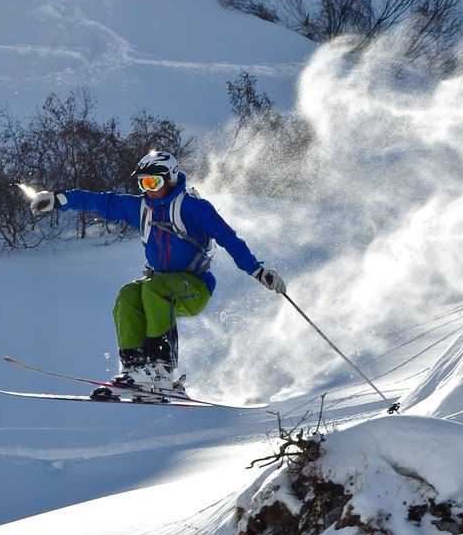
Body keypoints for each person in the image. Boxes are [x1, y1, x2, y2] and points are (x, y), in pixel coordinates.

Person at [30, 150, 285, 398]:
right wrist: (57, 199)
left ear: (171, 177)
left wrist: (258, 271)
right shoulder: (141, 207)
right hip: (162, 288)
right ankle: (134, 367)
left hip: (195, 289)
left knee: (154, 287)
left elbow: (229, 239)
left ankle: (161, 369)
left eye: (154, 181)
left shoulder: (194, 208)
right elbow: (100, 201)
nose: (148, 188)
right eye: (143, 183)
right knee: (128, 294)